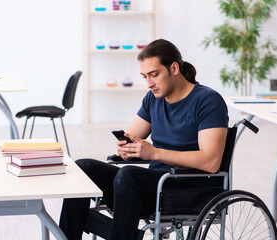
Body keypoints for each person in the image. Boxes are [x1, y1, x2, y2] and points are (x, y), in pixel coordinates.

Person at [59, 39, 229, 240]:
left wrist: (154, 152)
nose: (149, 83)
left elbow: (211, 162)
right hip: (154, 187)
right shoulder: (153, 99)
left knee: (128, 175)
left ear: (174, 68)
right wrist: (127, 149)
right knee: (83, 167)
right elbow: (133, 136)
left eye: (154, 75)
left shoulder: (207, 100)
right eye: (145, 76)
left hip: (188, 189)